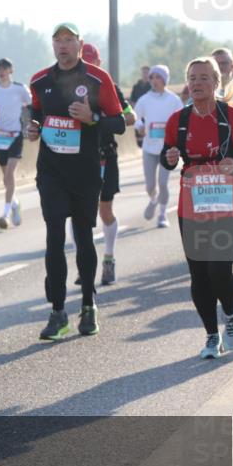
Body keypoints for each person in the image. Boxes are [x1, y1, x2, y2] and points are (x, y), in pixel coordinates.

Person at [25, 23, 124, 340]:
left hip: (85, 170)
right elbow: (37, 113)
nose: (63, 46)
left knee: (83, 237)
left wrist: (93, 119)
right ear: (52, 46)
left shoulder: (97, 79)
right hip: (51, 171)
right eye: (57, 41)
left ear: (80, 45)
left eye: (69, 40)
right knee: (54, 236)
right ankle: (57, 312)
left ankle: (88, 305)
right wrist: (33, 127)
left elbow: (119, 122)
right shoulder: (40, 80)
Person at [161, 57, 233, 358]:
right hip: (192, 205)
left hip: (226, 203)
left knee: (219, 269)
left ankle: (231, 315)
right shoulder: (179, 120)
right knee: (199, 274)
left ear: (215, 82)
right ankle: (211, 336)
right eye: (192, 78)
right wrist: (170, 157)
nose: (197, 83)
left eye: (203, 78)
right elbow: (167, 154)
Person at [77, 43, 135, 286]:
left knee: (104, 211)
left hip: (105, 156)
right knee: (79, 214)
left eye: (93, 63)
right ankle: (84, 263)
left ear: (98, 64)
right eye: (85, 63)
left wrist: (98, 118)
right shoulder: (70, 87)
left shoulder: (110, 87)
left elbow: (130, 118)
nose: (89, 67)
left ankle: (109, 258)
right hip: (77, 158)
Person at [134, 65, 183, 228]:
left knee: (163, 182)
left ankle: (162, 215)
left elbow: (182, 119)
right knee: (150, 186)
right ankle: (154, 199)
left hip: (167, 149)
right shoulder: (144, 99)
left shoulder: (174, 100)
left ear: (165, 80)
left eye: (158, 77)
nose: (154, 81)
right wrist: (139, 126)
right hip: (149, 148)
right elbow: (136, 117)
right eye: (152, 77)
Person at [0, 58, 32, 229]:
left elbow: (32, 106)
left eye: (5, 68)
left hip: (15, 136)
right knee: (6, 179)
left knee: (10, 175)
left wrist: (32, 123)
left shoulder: (20, 89)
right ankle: (15, 204)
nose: (2, 71)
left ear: (11, 70)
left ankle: (5, 214)